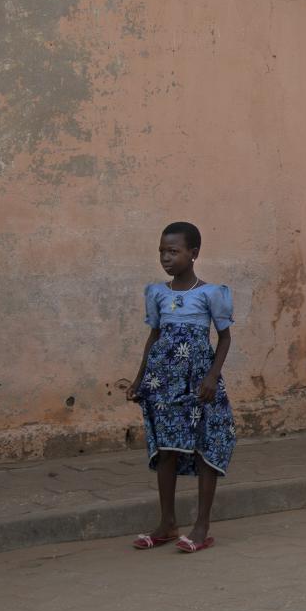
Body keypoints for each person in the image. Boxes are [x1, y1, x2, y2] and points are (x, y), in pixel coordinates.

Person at [127, 221, 236, 553]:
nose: (166, 258)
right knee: (166, 450)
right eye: (162, 251)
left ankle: (201, 526)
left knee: (204, 445)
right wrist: (139, 377)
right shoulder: (157, 293)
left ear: (194, 254)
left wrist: (212, 376)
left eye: (173, 251)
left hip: (198, 380)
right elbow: (154, 337)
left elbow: (224, 337)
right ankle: (167, 523)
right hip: (163, 382)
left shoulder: (211, 293)